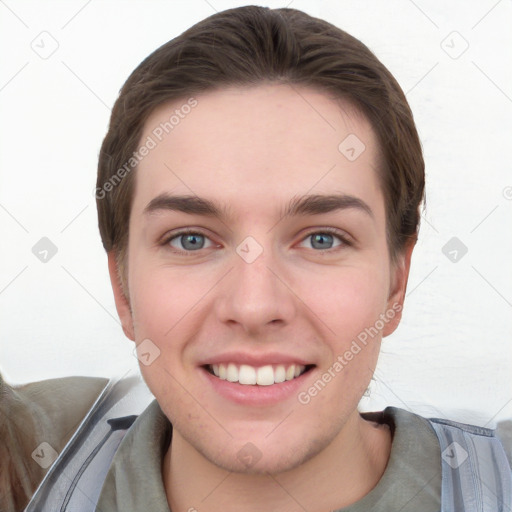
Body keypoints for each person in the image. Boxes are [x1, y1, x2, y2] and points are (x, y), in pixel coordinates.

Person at [2, 5, 511, 512]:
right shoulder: (28, 462)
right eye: (191, 240)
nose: (253, 305)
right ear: (122, 285)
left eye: (322, 240)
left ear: (396, 283)